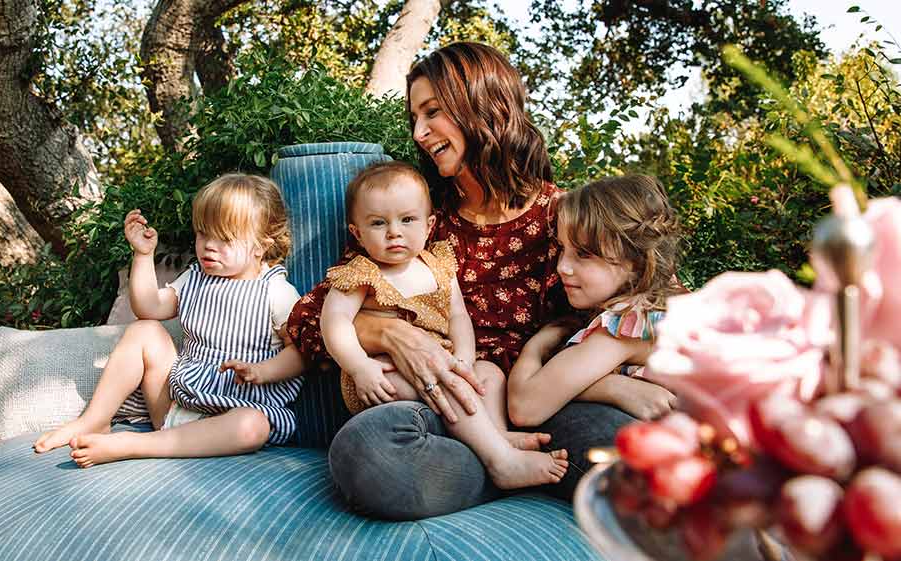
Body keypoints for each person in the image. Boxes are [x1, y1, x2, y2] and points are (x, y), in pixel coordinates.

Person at [286, 42, 675, 519]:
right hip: (440, 406)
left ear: (484, 104)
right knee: (368, 451)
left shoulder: (565, 218)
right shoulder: (418, 218)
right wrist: (391, 332)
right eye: (415, 117)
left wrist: (610, 388)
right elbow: (307, 320)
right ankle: (501, 466)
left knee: (638, 455)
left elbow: (629, 316)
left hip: (544, 407)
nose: (419, 132)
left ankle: (507, 464)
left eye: (432, 112)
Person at [321, 160, 568, 489]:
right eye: (379, 223)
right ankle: (501, 461)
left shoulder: (438, 265)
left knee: (490, 375)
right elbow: (333, 322)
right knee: (449, 382)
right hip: (384, 373)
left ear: (429, 225)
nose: (394, 232)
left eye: (407, 220)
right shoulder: (362, 273)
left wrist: (466, 358)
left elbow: (458, 317)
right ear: (357, 233)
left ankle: (497, 435)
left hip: (445, 360)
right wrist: (359, 366)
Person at [33, 173, 305, 467]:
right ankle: (95, 420)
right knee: (144, 331)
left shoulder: (276, 292)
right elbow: (148, 307)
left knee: (253, 426)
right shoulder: (195, 278)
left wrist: (264, 371)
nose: (208, 246)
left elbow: (301, 353)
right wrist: (142, 255)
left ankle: (135, 444)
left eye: (223, 238)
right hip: (176, 404)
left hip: (234, 413)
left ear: (260, 246)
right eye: (203, 233)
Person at [508, 175, 684, 427]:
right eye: (562, 248)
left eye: (584, 254)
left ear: (634, 261)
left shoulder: (630, 322)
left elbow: (524, 406)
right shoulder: (663, 306)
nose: (562, 267)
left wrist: (536, 346)